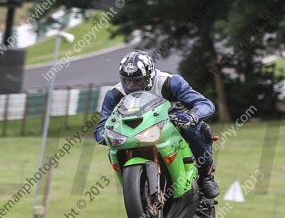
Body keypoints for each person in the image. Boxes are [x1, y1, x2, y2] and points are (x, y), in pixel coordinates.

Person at [93, 50, 220, 199]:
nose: (132, 86)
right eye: (127, 81)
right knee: (112, 149)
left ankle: (206, 177)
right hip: (134, 132)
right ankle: (133, 188)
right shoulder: (114, 94)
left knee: (198, 129)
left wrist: (191, 115)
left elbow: (205, 104)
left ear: (150, 76)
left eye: (138, 81)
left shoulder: (170, 82)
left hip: (171, 121)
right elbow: (102, 126)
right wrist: (104, 135)